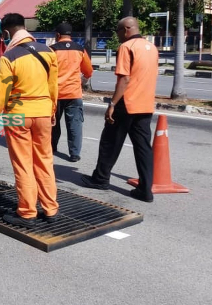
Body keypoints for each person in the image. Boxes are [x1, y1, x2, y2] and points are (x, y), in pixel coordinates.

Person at [0, 13, 59, 228]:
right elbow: (54, 87)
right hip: (44, 112)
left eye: (3, 35)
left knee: (24, 164)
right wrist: (51, 111)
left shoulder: (9, 57)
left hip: (18, 115)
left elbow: (1, 94)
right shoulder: (48, 52)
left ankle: (27, 212)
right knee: (45, 161)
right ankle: (50, 208)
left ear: (7, 32)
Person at [81, 17, 159, 202]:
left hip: (127, 103)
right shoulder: (152, 48)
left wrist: (112, 104)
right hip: (145, 104)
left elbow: (124, 79)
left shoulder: (126, 47)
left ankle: (100, 179)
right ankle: (145, 190)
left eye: (117, 31)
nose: (117, 35)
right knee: (143, 148)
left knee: (109, 141)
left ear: (126, 29)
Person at [50, 21, 93, 162]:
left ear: (57, 35)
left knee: (53, 122)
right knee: (75, 124)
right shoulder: (79, 49)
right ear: (70, 35)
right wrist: (81, 82)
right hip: (74, 93)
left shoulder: (52, 50)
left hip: (56, 93)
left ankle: (52, 147)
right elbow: (88, 71)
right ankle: (74, 154)